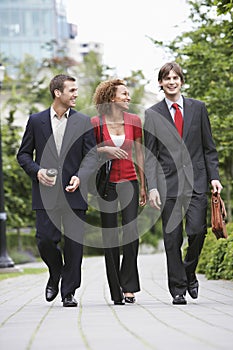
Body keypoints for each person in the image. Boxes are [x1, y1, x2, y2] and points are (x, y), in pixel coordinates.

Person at [144, 62, 222, 305]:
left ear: (181, 81)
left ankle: (188, 273)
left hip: (196, 181)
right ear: (160, 83)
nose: (171, 82)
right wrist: (153, 187)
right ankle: (178, 289)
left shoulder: (198, 108)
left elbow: (208, 148)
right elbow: (150, 154)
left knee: (197, 231)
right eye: (167, 78)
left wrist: (214, 177)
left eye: (175, 77)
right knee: (172, 238)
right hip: (168, 185)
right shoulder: (153, 114)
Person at [17, 74, 97, 307]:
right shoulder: (36, 120)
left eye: (76, 90)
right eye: (71, 90)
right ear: (57, 93)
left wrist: (80, 177)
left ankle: (68, 292)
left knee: (74, 245)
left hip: (74, 192)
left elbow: (91, 157)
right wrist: (37, 171)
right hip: (46, 192)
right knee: (44, 240)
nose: (76, 94)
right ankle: (55, 272)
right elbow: (23, 154)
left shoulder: (83, 121)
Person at [91, 79, 147, 305]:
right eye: (124, 94)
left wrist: (143, 185)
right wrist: (104, 148)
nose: (128, 97)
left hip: (130, 182)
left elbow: (140, 154)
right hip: (106, 185)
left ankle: (129, 286)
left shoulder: (134, 120)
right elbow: (89, 151)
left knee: (131, 234)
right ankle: (116, 291)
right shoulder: (96, 122)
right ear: (112, 97)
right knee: (110, 237)